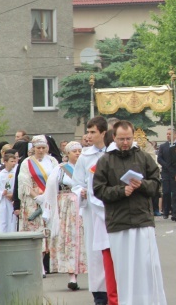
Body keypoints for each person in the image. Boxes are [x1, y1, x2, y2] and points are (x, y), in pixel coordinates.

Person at [93, 120, 166, 305]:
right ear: (114, 137)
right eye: (121, 139)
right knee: (125, 271)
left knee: (147, 267)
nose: (125, 142)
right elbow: (99, 190)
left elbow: (157, 186)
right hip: (119, 223)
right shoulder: (105, 160)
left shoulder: (143, 157)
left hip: (142, 221)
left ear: (133, 137)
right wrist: (120, 191)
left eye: (128, 138)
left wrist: (141, 185)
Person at [72, 116, 112, 305]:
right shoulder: (85, 157)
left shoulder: (112, 153)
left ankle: (115, 291)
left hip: (112, 209)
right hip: (93, 212)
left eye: (92, 132)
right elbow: (76, 182)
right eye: (87, 132)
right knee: (96, 253)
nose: (88, 136)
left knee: (113, 251)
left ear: (103, 133)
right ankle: (99, 294)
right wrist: (82, 191)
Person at [40, 141, 87, 291]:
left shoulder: (87, 168)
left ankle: (88, 274)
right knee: (69, 239)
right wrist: (49, 210)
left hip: (83, 206)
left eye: (80, 151)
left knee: (83, 239)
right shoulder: (60, 169)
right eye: (75, 151)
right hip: (66, 207)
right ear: (68, 154)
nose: (78, 153)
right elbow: (50, 189)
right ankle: (71, 275)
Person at [17, 135, 58, 276]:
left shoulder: (52, 161)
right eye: (38, 148)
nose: (41, 150)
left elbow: (56, 179)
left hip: (49, 199)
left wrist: (48, 195)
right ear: (33, 148)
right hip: (33, 202)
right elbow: (24, 183)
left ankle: (49, 263)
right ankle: (38, 265)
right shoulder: (27, 163)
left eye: (43, 147)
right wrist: (37, 196)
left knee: (48, 231)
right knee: (36, 232)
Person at [0, 150, 18, 233]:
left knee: (12, 220)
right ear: (5, 162)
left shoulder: (16, 173)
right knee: (3, 220)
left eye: (14, 161)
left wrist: (14, 195)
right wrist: (1, 193)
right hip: (3, 200)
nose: (13, 163)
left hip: (12, 200)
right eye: (11, 161)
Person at [157, 128, 175, 219]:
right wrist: (166, 165)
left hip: (175, 172)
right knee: (166, 192)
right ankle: (166, 211)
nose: (168, 135)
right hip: (166, 172)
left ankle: (175, 210)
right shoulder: (163, 146)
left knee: (175, 192)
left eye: (170, 134)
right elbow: (159, 158)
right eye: (167, 134)